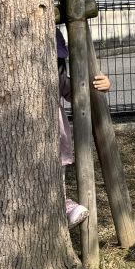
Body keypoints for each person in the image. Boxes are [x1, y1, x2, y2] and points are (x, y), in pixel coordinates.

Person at [55, 28, 111, 227]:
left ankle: (61, 203)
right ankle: (60, 205)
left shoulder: (58, 78)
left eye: (57, 62)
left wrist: (101, 84)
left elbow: (73, 91)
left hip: (55, 131)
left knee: (56, 172)